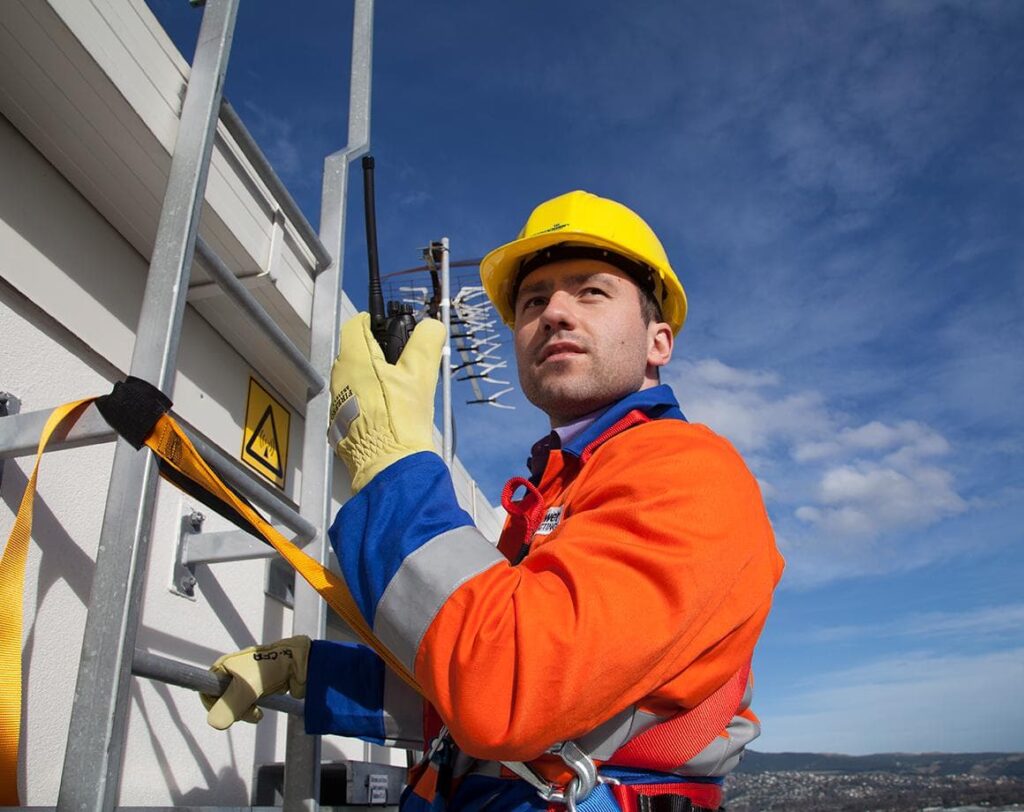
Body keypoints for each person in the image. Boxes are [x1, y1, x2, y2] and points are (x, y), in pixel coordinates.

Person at [201, 190, 785, 812]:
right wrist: (313, 671)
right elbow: (466, 706)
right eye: (534, 301)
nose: (554, 313)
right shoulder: (560, 489)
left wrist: (390, 461)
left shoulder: (687, 472)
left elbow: (506, 686)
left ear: (657, 341)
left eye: (591, 291)